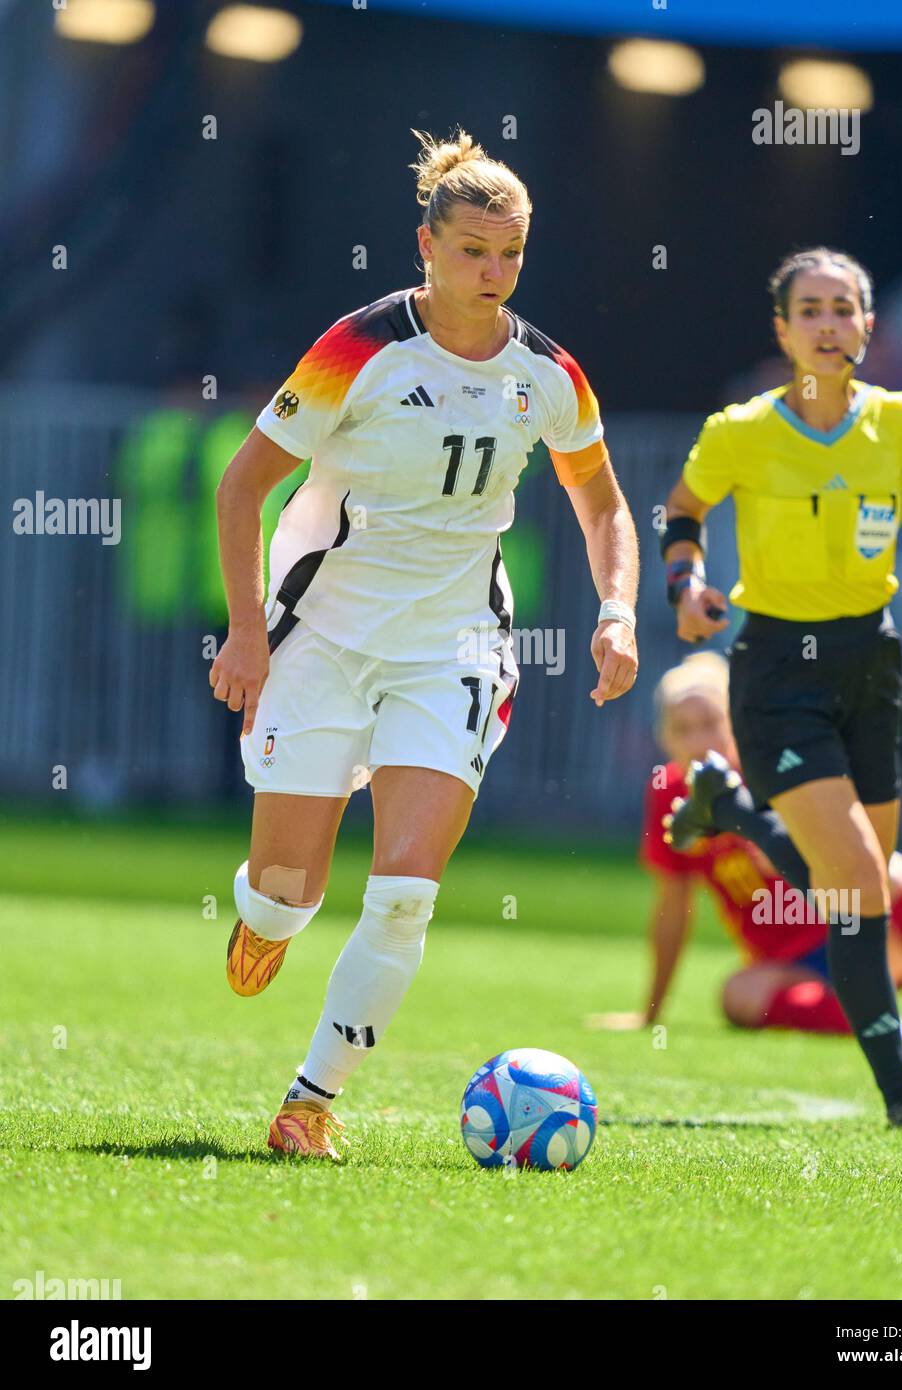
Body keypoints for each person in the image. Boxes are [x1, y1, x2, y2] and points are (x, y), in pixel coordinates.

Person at [210, 129, 640, 1159]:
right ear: (426, 245)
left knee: (404, 892)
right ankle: (265, 914)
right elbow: (241, 486)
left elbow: (603, 509)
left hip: (451, 645)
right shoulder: (358, 349)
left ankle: (308, 1102)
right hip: (323, 634)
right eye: (472, 253)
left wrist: (615, 609)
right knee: (288, 891)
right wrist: (246, 634)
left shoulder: (546, 374)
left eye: (511, 255)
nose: (492, 275)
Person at [660, 247, 902, 1132]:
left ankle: (729, 810)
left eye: (845, 309)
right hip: (775, 674)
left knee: (854, 891)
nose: (829, 324)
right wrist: (685, 589)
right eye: (811, 310)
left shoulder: (900, 425)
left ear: (868, 326)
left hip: (871, 666)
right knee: (859, 881)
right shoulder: (741, 431)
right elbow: (681, 513)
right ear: (784, 331)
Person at [589, 654, 902, 1048]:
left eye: (710, 723)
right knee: (737, 995)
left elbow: (853, 847)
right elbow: (673, 906)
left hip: (862, 938)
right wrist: (650, 1013)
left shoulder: (777, 769)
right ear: (666, 738)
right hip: (789, 967)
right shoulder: (668, 793)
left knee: (891, 869)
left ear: (736, 721)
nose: (700, 741)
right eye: (683, 729)